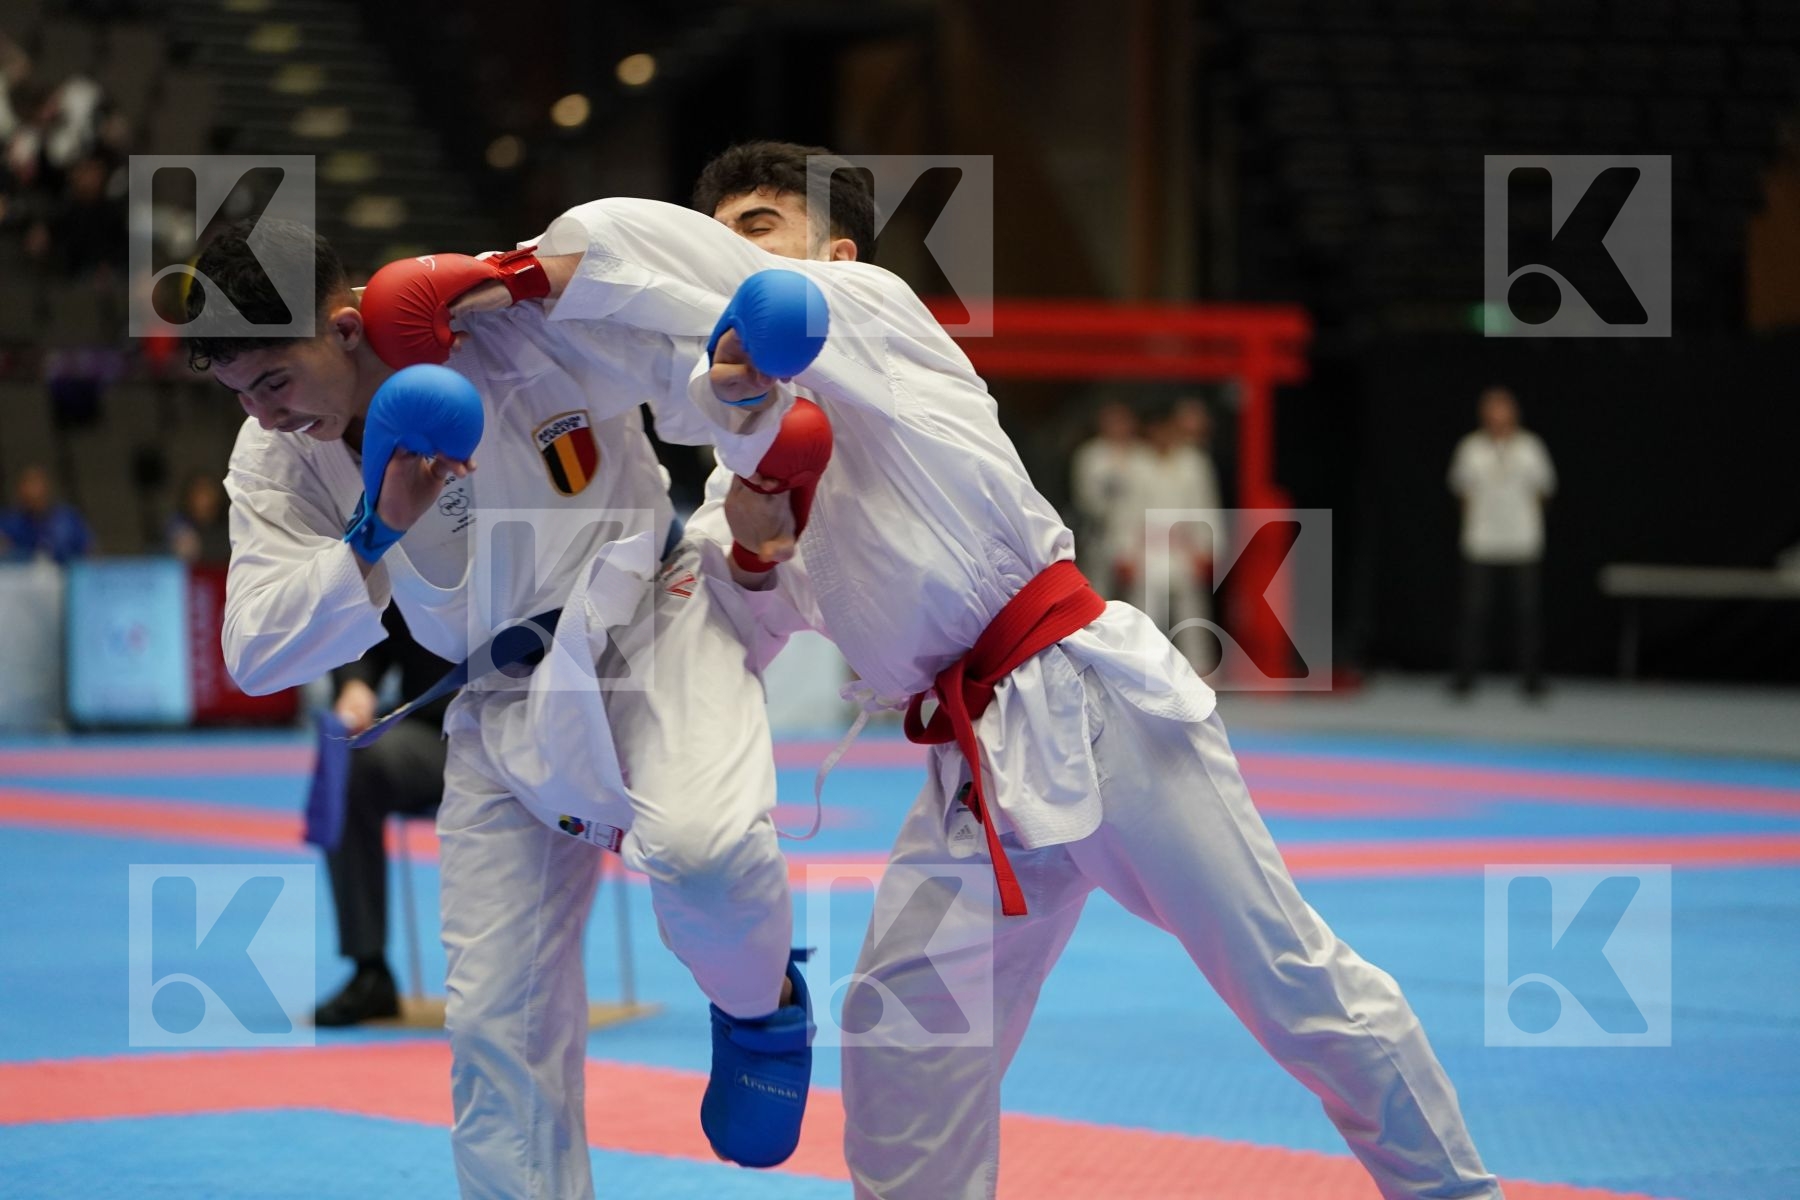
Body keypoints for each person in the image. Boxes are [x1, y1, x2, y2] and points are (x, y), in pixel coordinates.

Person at [475, 141, 1498, 1199]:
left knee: (1292, 988)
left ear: (835, 252)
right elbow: (725, 616)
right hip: (972, 772)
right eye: (720, 232)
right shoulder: (742, 466)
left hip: (1091, 708)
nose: (730, 251)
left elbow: (741, 298)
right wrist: (750, 545)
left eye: (757, 227)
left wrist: (516, 274)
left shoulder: (875, 311)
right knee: (904, 1032)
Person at [189, 216, 816, 1196]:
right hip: (497, 700)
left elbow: (690, 360)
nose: (266, 415)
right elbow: (255, 650)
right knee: (492, 1024)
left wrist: (538, 281)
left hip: (653, 625)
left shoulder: (501, 320)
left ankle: (759, 1003)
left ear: (345, 328)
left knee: (705, 855)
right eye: (240, 395)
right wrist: (373, 531)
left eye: (275, 381)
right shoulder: (277, 459)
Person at [314, 606, 451, 1026]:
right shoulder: (411, 561)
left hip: (529, 728)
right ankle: (369, 970)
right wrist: (356, 684)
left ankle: (529, 979)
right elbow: (371, 631)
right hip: (436, 734)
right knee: (351, 764)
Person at [1448, 386, 1555, 698]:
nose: (1497, 417)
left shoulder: (1531, 447)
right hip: (1481, 541)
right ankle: (1465, 677)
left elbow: (1544, 490)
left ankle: (1531, 678)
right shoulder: (1470, 448)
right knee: (1474, 611)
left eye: (1503, 410)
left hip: (1522, 541)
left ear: (1514, 413)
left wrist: (1522, 519)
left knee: (1527, 612)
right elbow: (1461, 492)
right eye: (1492, 410)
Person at [1120, 400, 1223, 672]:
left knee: (1192, 611)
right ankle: (1143, 667)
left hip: (1183, 547)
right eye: (1157, 429)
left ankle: (1199, 668)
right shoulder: (1136, 463)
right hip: (1148, 548)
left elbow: (1205, 505)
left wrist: (1207, 547)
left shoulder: (1193, 462)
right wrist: (1125, 552)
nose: (1163, 434)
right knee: (1145, 611)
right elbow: (1126, 512)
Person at [1068, 399, 1145, 600]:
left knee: (1140, 592)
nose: (1118, 426)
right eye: (1113, 421)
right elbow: (1085, 497)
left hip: (1137, 535)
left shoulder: (1143, 454)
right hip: (1101, 533)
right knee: (1099, 589)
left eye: (1123, 420)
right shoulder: (1090, 454)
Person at [0, 464, 92, 563]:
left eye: (36, 484)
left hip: (64, 569)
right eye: (28, 484)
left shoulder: (68, 519)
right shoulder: (10, 522)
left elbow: (89, 551)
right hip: (22, 570)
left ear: (46, 487)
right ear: (20, 490)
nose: (33, 491)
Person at [165, 471, 231, 565]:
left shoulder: (230, 525)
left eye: (208, 492)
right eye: (199, 492)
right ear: (189, 497)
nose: (204, 499)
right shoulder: (178, 523)